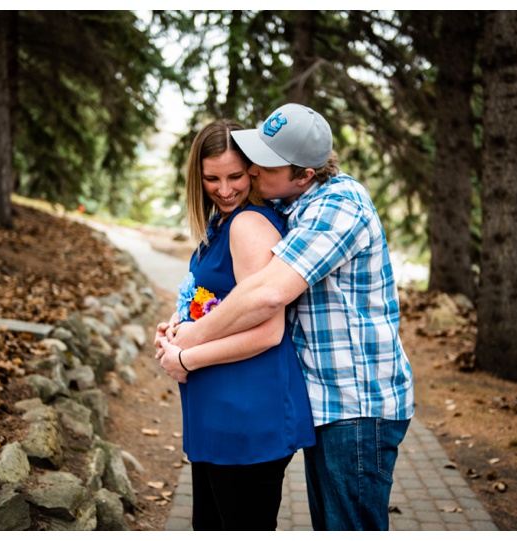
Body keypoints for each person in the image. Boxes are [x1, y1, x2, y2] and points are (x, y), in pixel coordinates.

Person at [163, 103, 415, 531]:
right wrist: (180, 321)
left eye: (264, 164)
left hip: (357, 403)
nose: (253, 171)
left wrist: (188, 343)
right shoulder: (293, 206)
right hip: (326, 401)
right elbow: (228, 290)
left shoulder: (338, 206)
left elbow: (267, 296)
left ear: (304, 174)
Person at [154, 118, 315, 531]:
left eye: (236, 176)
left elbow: (268, 330)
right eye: (212, 178)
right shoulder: (220, 223)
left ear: (254, 171)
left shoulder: (247, 225)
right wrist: (178, 322)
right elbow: (220, 300)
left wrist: (186, 358)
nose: (225, 190)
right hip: (219, 417)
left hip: (247, 420)